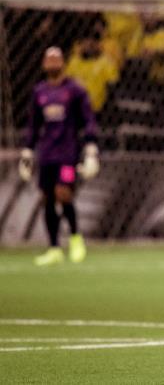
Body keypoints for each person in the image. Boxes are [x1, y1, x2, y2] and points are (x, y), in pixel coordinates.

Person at [19, 46, 99, 266]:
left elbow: (88, 120)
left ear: (63, 63)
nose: (53, 63)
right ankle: (54, 247)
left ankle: (75, 239)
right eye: (49, 59)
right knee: (46, 197)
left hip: (68, 153)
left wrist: (91, 148)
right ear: (44, 64)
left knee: (63, 194)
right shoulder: (39, 92)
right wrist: (28, 151)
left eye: (56, 59)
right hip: (47, 154)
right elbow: (34, 125)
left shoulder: (75, 90)